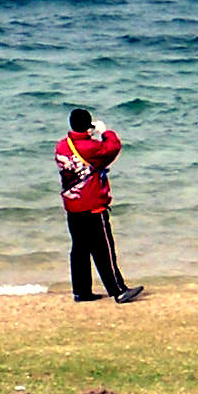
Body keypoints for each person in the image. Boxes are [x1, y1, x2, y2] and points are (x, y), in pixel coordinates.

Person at [55, 108, 143, 304]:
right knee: (104, 250)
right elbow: (113, 148)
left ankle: (81, 291)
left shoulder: (61, 146)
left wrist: (87, 134)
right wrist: (105, 132)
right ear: (88, 126)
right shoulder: (91, 148)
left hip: (72, 206)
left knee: (79, 249)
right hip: (93, 205)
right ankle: (118, 291)